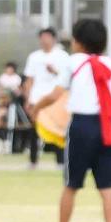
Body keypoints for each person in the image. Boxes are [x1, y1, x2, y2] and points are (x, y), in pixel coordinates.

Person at [38, 18, 111, 222]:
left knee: (71, 184)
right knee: (107, 186)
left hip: (81, 126)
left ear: (77, 42)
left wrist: (37, 106)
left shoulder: (72, 62)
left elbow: (56, 94)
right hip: (107, 125)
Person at [22, 27, 72, 168]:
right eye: (42, 37)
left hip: (55, 98)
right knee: (34, 131)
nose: (44, 40)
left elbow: (66, 78)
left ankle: (61, 161)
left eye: (47, 37)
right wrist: (27, 98)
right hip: (37, 98)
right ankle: (33, 161)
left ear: (53, 39)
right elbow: (29, 80)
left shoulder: (62, 56)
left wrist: (54, 71)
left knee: (57, 128)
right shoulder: (34, 56)